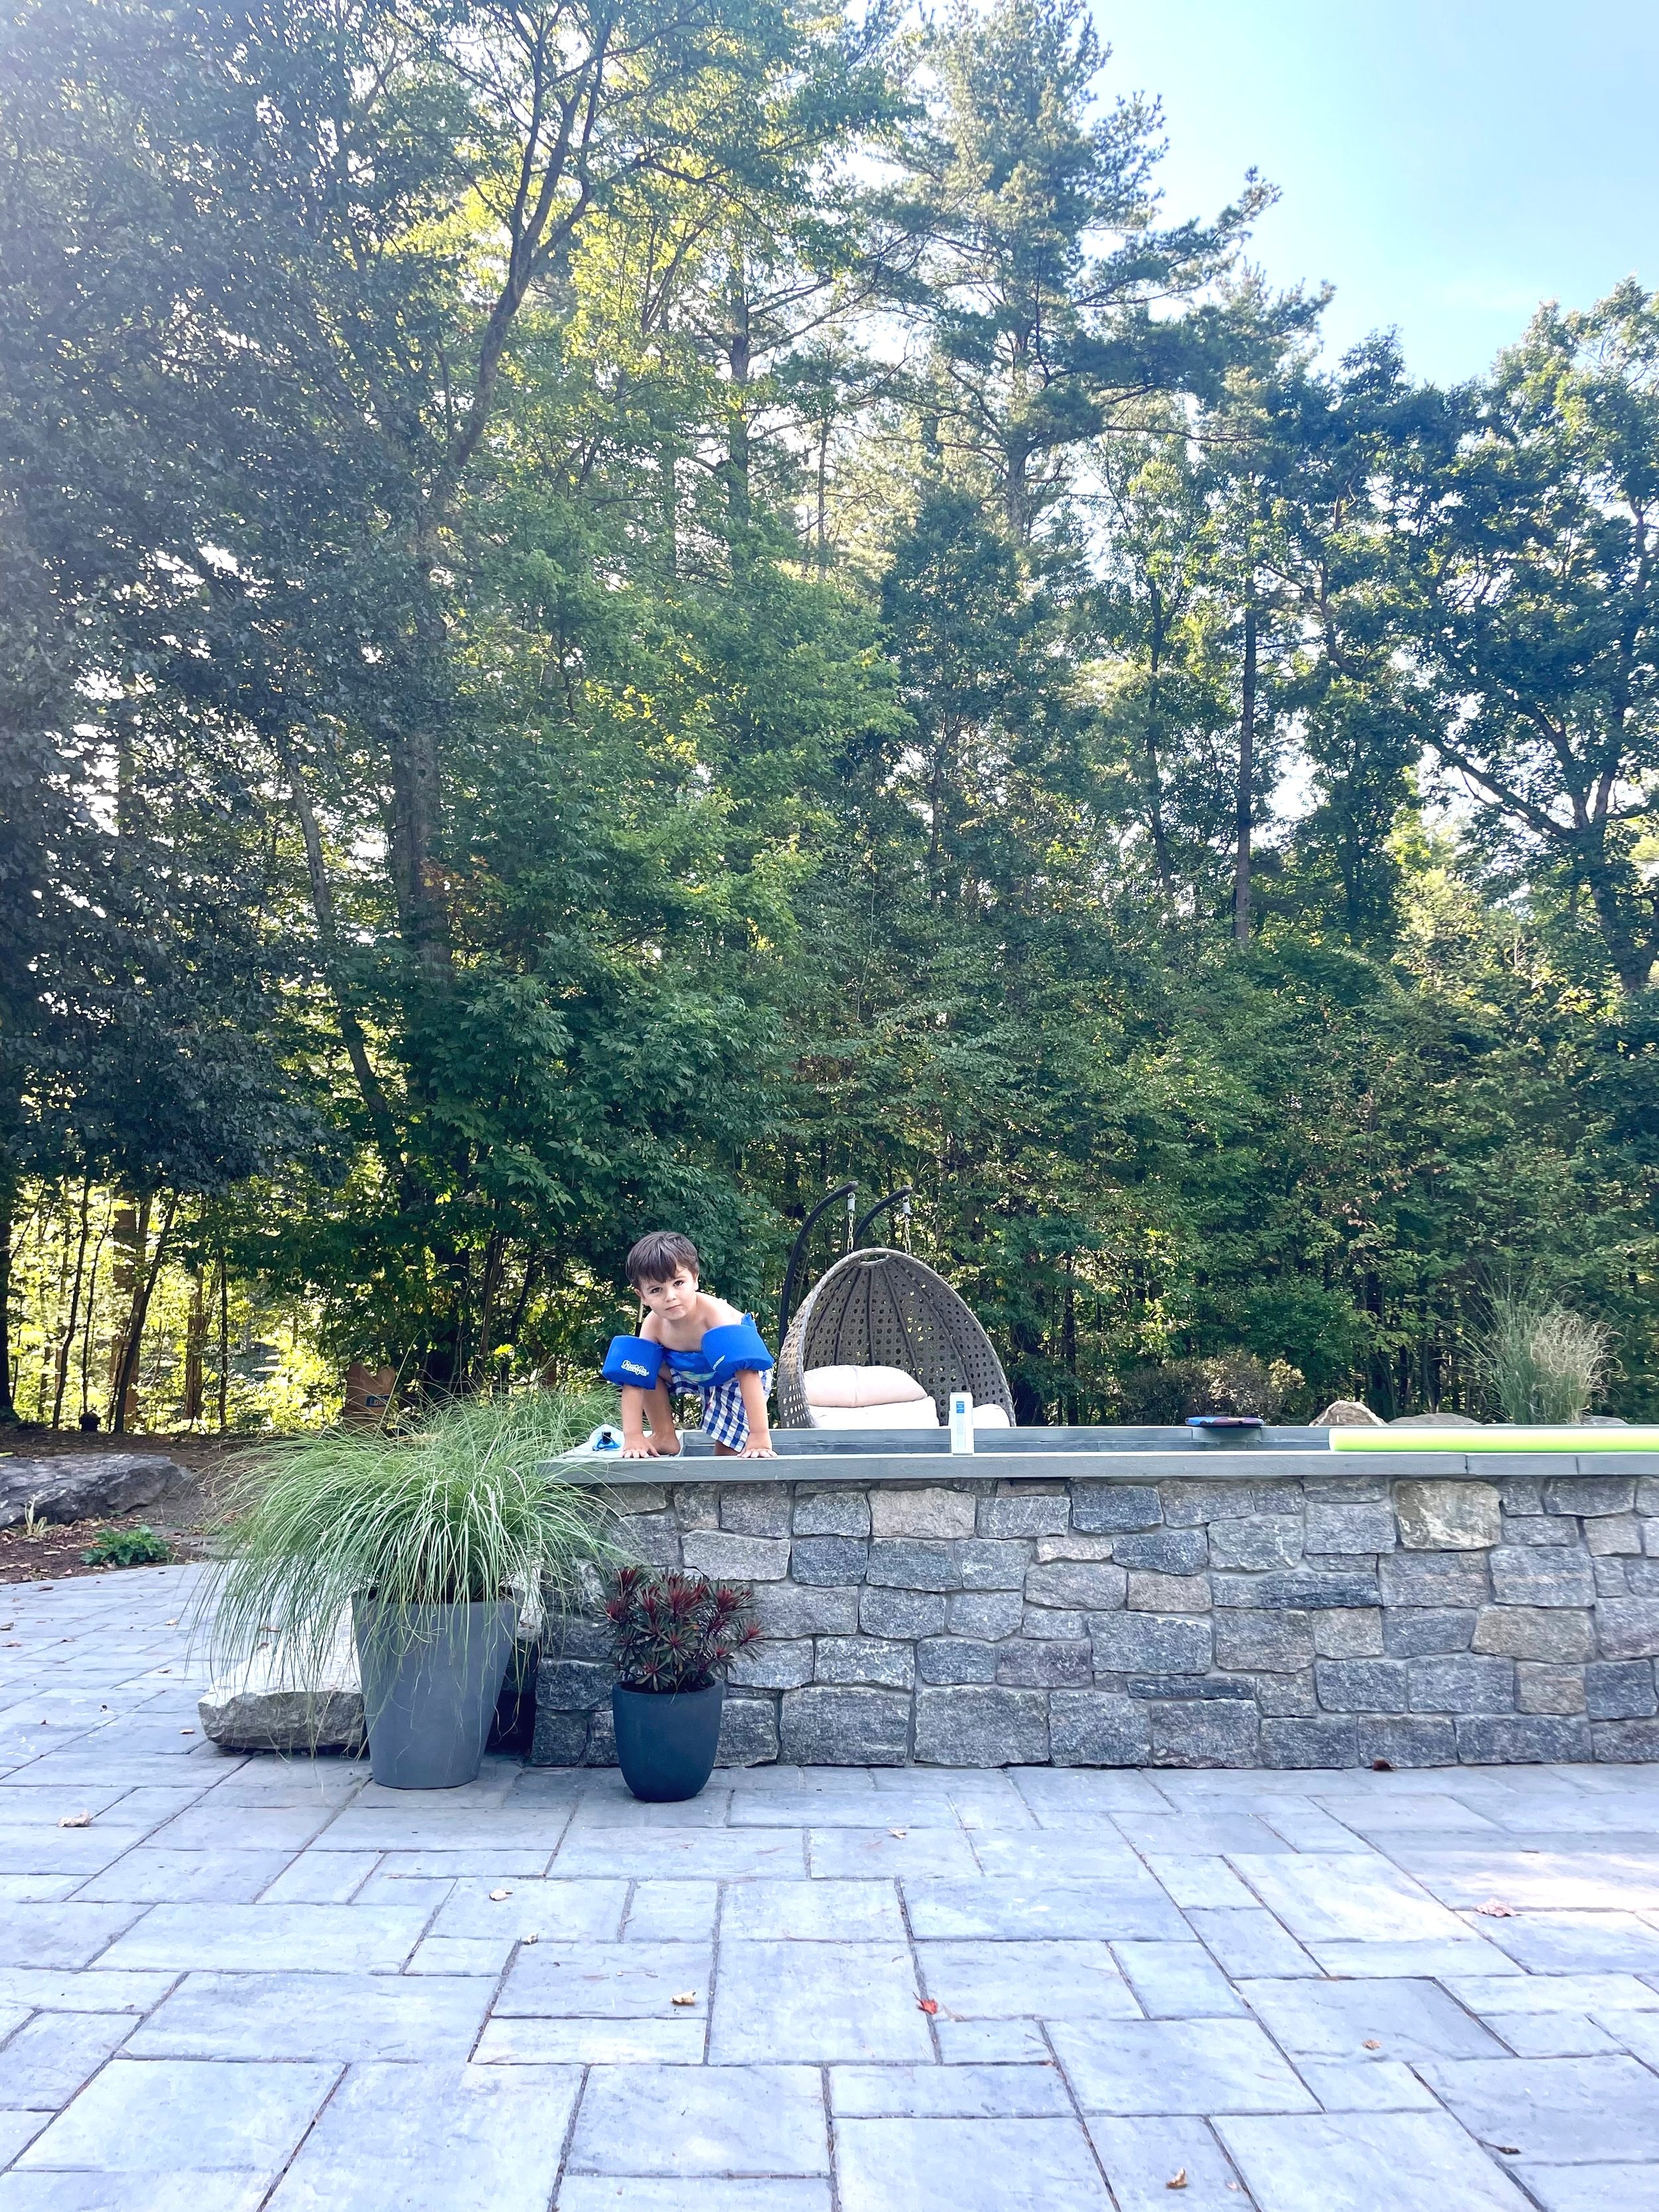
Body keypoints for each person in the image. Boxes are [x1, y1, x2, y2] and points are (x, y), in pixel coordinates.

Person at [602, 1230, 776, 1459]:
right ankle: (664, 1434)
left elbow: (747, 1372)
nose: (670, 1296)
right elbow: (635, 1379)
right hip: (690, 1371)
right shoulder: (653, 1325)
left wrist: (760, 1435)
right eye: (656, 1290)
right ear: (642, 1296)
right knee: (642, 1368)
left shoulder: (714, 1316)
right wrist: (633, 1437)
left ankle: (745, 1440)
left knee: (727, 1455)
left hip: (737, 1376)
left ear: (695, 1279)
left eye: (678, 1283)